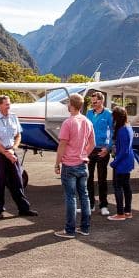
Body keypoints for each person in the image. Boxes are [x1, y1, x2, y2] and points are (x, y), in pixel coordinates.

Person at [0, 95, 38, 219]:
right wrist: (6, 153)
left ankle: (23, 209)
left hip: (11, 151)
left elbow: (18, 136)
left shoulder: (14, 117)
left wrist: (13, 149)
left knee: (18, 181)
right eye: (6, 104)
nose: (9, 106)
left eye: (9, 104)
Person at [54, 93, 95, 238]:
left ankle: (69, 230)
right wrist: (84, 154)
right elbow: (93, 144)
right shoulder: (87, 121)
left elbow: (62, 145)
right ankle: (85, 228)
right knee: (84, 196)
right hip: (83, 164)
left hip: (69, 165)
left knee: (70, 197)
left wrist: (57, 164)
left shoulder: (68, 123)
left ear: (71, 105)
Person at [86, 91, 113, 216]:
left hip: (102, 150)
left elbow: (112, 133)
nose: (93, 104)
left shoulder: (108, 114)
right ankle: (90, 205)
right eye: (92, 102)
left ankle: (103, 205)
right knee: (88, 178)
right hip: (90, 150)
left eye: (95, 102)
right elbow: (85, 131)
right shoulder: (89, 113)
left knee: (102, 179)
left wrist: (107, 148)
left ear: (101, 101)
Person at [108, 106, 134, 221]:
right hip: (127, 161)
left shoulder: (122, 131)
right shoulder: (128, 127)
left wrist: (114, 163)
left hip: (121, 163)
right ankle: (127, 211)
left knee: (118, 187)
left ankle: (120, 213)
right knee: (126, 187)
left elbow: (123, 151)